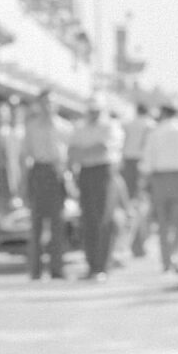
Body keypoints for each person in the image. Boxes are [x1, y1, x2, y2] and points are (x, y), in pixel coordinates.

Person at [138, 100, 178, 275]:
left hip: (160, 180)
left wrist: (144, 183)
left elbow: (147, 162)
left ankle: (167, 261)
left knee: (163, 224)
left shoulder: (155, 132)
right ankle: (177, 258)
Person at [67, 97, 123, 282]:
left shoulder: (110, 126)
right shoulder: (80, 127)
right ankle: (92, 264)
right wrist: (87, 151)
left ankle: (102, 265)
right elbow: (72, 152)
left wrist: (85, 151)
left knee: (104, 219)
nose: (93, 115)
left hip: (103, 172)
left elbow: (102, 149)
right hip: (86, 173)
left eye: (96, 111)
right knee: (88, 219)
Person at [20, 91, 72, 280]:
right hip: (39, 172)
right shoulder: (32, 127)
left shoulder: (66, 127)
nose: (48, 106)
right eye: (44, 103)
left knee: (58, 224)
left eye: (51, 102)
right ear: (39, 105)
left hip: (58, 174)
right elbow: (25, 156)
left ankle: (57, 269)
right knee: (36, 224)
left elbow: (70, 156)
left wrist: (69, 179)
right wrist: (24, 183)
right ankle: (35, 269)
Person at [121, 102, 155, 257]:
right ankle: (138, 244)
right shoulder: (150, 125)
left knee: (131, 205)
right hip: (142, 165)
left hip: (128, 165)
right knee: (142, 206)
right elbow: (148, 147)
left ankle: (135, 244)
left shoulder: (127, 124)